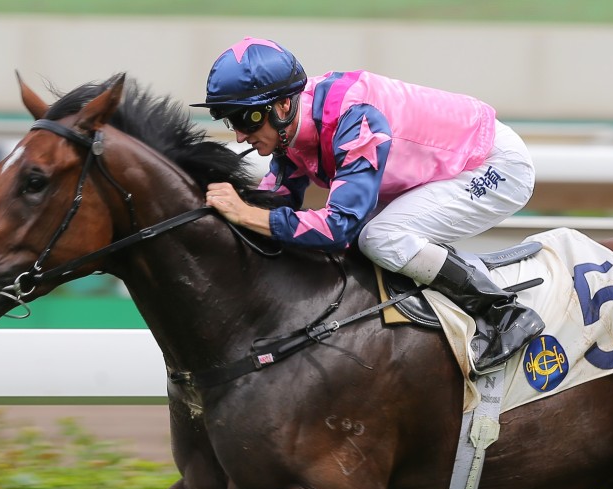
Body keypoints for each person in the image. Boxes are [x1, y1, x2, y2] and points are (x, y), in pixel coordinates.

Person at [192, 36, 544, 374]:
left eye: (245, 119)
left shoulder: (354, 118)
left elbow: (337, 228)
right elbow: (273, 206)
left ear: (283, 105)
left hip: (491, 164)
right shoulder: (292, 122)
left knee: (380, 238)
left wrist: (247, 213)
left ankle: (503, 313)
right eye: (230, 119)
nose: (239, 135)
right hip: (439, 168)